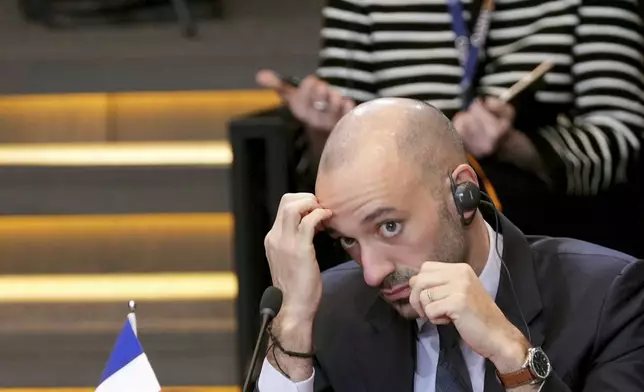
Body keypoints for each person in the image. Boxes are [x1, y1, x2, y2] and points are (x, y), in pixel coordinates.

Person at [256, 98, 644, 391]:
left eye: (389, 226)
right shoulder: (328, 313)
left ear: (463, 193)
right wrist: (290, 327)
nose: (372, 271)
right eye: (348, 241)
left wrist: (512, 354)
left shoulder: (607, 298)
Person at [256, 0, 644, 255]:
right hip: (392, 233)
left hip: (548, 234)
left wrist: (517, 146)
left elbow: (624, 141)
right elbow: (337, 159)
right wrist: (325, 128)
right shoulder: (364, 6)